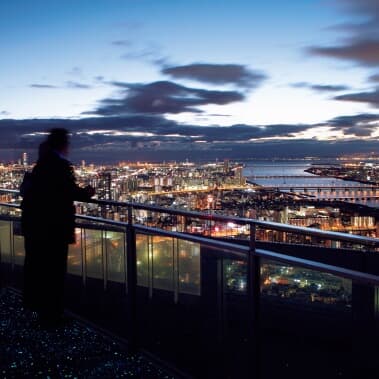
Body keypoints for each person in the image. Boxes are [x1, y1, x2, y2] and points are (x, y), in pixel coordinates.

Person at [21, 128, 94, 326]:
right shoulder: (60, 165)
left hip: (36, 225)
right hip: (54, 228)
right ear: (62, 145)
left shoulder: (40, 165)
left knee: (40, 268)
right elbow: (69, 191)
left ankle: (39, 308)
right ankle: (52, 315)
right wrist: (88, 192)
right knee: (54, 271)